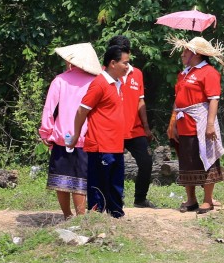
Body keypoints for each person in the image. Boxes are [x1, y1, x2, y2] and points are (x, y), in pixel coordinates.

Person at [167, 37, 224, 214]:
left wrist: (210, 125)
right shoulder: (184, 73)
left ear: (197, 53)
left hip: (201, 123)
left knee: (207, 160)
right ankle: (191, 199)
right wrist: (173, 122)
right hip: (184, 123)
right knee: (187, 161)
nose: (182, 54)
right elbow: (177, 101)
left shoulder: (209, 72)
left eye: (186, 51)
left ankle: (208, 200)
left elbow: (214, 99)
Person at [68, 45, 130, 218]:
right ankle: (95, 219)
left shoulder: (118, 83)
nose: (128, 66)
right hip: (100, 145)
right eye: (125, 63)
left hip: (116, 145)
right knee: (99, 185)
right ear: (112, 63)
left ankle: (116, 215)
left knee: (116, 184)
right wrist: (75, 135)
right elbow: (82, 111)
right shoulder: (99, 84)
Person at [40, 43, 99, 218]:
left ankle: (67, 214)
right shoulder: (95, 81)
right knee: (81, 179)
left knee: (61, 179)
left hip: (62, 136)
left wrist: (46, 132)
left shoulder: (60, 80)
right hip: (85, 136)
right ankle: (81, 216)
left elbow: (49, 109)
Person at [109, 36, 154, 208]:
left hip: (135, 129)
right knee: (114, 165)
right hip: (114, 130)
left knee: (146, 162)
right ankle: (116, 198)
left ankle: (140, 199)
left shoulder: (138, 74)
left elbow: (140, 101)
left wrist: (146, 127)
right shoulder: (104, 74)